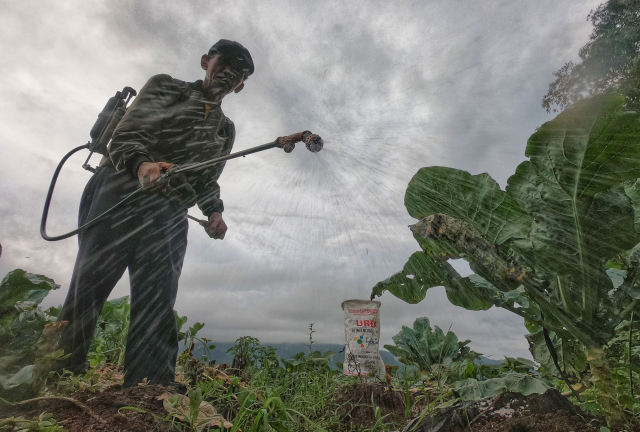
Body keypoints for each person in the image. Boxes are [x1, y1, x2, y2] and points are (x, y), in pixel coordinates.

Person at [56, 40, 255, 387]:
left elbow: (207, 177)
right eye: (223, 64)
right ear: (206, 61)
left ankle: (150, 387)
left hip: (170, 209)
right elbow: (127, 134)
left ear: (239, 86)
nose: (227, 74)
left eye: (236, 74)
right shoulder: (167, 87)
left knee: (158, 296)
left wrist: (214, 212)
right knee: (90, 284)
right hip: (120, 189)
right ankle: (58, 371)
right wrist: (141, 164)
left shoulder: (225, 129)